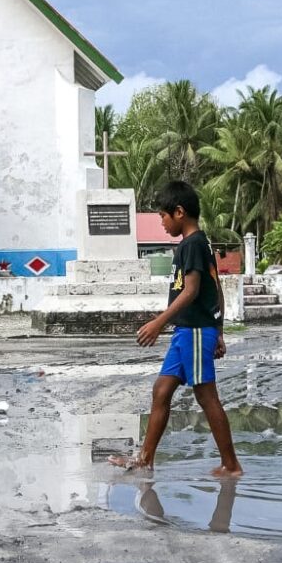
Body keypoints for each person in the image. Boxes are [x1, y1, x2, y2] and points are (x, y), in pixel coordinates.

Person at [109, 181, 244, 477]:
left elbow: (192, 290)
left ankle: (231, 464)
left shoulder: (193, 243)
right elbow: (216, 287)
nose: (161, 222)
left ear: (179, 212)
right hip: (188, 331)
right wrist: (219, 329)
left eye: (163, 216)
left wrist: (159, 322)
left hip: (194, 330)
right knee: (161, 391)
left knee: (206, 396)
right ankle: (145, 459)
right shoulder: (194, 244)